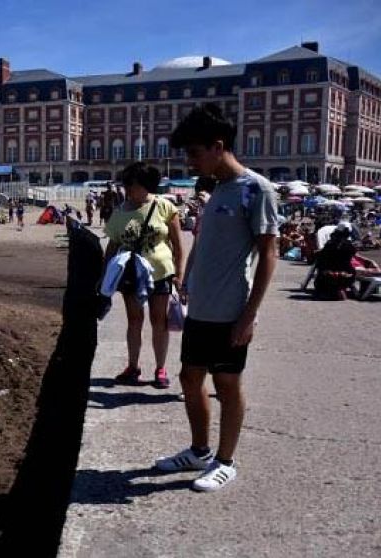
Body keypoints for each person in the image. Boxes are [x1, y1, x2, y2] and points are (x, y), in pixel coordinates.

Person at [153, 104, 280, 493]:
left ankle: (225, 462)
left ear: (218, 145)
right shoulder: (217, 189)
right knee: (190, 378)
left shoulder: (256, 189)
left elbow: (269, 254)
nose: (189, 162)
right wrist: (187, 279)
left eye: (194, 152)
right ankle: (199, 450)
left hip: (230, 312)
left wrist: (248, 316)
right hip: (201, 310)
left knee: (226, 385)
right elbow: (205, 244)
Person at [104, 162, 184, 390]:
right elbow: (112, 247)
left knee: (160, 322)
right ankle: (133, 366)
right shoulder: (119, 213)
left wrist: (179, 275)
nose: (128, 190)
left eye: (132, 185)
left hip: (161, 273)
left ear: (146, 185)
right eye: (126, 185)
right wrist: (105, 276)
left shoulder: (165, 206)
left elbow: (178, 246)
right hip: (132, 276)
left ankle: (160, 368)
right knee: (134, 321)